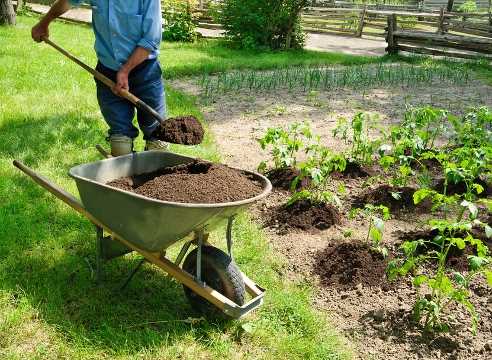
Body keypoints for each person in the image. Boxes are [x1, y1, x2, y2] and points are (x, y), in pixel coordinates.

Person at [32, 0, 167, 156]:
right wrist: (44, 22)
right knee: (120, 142)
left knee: (158, 142)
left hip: (145, 73)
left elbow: (152, 39)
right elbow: (67, 1)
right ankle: (125, 175)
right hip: (107, 73)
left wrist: (125, 71)